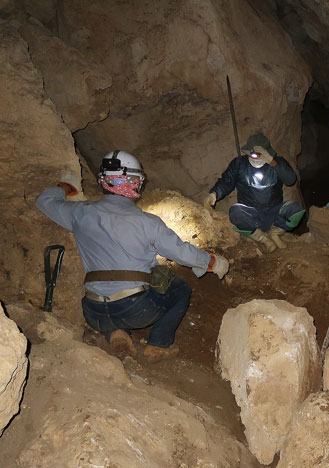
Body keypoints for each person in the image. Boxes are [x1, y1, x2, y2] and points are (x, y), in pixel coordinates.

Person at [36, 150, 229, 363]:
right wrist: (212, 262)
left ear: (103, 181)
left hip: (93, 312)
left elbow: (45, 202)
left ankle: (116, 333)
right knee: (180, 288)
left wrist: (65, 186)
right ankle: (159, 345)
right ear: (134, 183)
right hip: (135, 310)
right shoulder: (147, 222)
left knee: (113, 303)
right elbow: (183, 253)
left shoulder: (80, 213)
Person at [205, 132, 305, 251]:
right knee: (235, 211)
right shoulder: (239, 164)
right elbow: (227, 181)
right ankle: (263, 238)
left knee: (296, 209)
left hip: (274, 213)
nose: (256, 157)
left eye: (260, 154)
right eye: (253, 153)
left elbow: (290, 180)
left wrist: (272, 162)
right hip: (251, 215)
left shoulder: (277, 163)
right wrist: (214, 193)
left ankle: (275, 233)